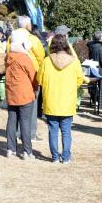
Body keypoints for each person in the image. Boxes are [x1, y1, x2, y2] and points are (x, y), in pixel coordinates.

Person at [36, 34, 86, 164]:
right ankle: (66, 157)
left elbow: (39, 79)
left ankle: (55, 157)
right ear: (66, 44)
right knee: (66, 131)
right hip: (67, 101)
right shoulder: (74, 61)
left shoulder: (46, 61)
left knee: (52, 130)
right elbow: (80, 79)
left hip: (51, 101)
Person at [7, 16, 46, 142]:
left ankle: (17, 133)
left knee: (15, 108)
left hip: (13, 75)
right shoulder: (32, 39)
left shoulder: (10, 38)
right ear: (28, 26)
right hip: (30, 75)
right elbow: (41, 56)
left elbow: (7, 53)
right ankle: (31, 134)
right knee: (31, 106)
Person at [5, 29, 37, 160]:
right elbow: (33, 76)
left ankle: (10, 149)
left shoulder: (8, 56)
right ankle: (27, 151)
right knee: (25, 122)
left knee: (12, 121)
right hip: (24, 94)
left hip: (11, 93)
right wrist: (35, 88)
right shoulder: (24, 58)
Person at [87, 31, 102, 110]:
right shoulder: (101, 48)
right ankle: (101, 105)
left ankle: (93, 101)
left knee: (92, 86)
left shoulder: (90, 46)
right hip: (101, 71)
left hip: (92, 69)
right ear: (101, 38)